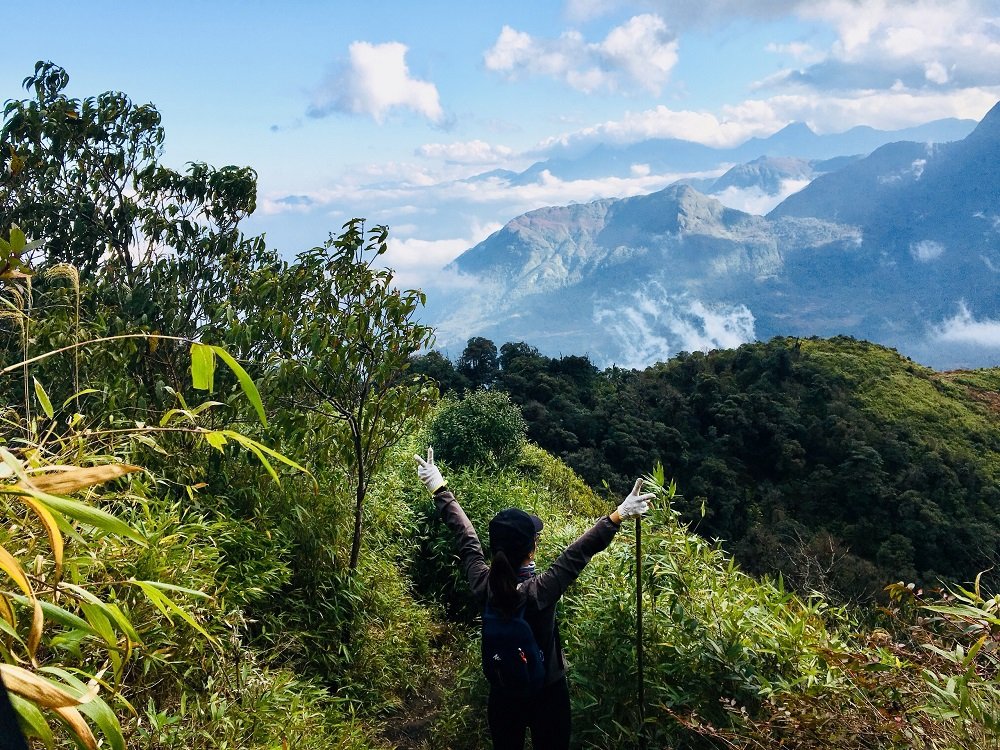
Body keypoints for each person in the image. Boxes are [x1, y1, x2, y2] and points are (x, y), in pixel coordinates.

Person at [414, 447, 653, 750]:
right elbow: (578, 552)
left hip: (503, 692)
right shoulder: (540, 591)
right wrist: (619, 514)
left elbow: (466, 537)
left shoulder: (483, 584)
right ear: (531, 549)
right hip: (548, 692)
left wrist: (438, 487)